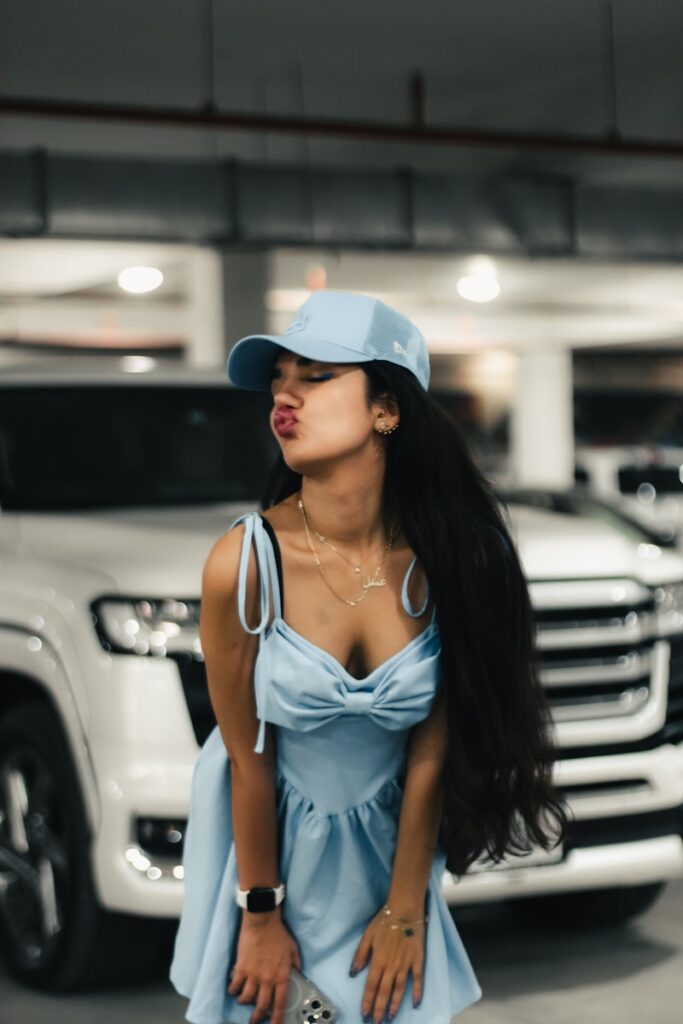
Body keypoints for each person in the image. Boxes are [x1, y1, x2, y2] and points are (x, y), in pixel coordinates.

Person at [169, 289, 568, 1024]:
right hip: (270, 856)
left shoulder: (448, 558)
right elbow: (246, 757)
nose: (284, 394)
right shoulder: (245, 562)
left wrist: (406, 905)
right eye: (278, 378)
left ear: (387, 409)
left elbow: (431, 747)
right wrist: (259, 915)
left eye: (315, 375)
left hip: (393, 853)